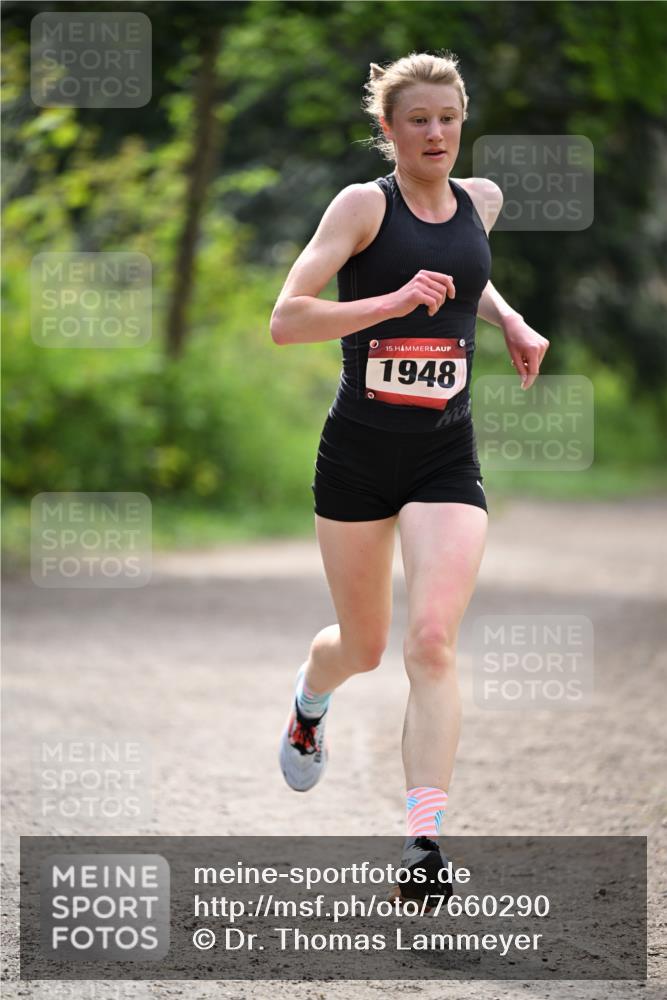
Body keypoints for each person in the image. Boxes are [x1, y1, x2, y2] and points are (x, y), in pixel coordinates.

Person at [271, 51, 549, 908]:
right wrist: (389, 304)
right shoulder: (362, 207)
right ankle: (310, 700)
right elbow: (287, 319)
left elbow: (468, 274)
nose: (435, 133)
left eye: (447, 119)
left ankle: (422, 841)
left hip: (442, 454)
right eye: (417, 120)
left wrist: (509, 318)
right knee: (362, 647)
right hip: (357, 455)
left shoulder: (482, 200)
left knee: (430, 642)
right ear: (387, 130)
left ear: (462, 122)